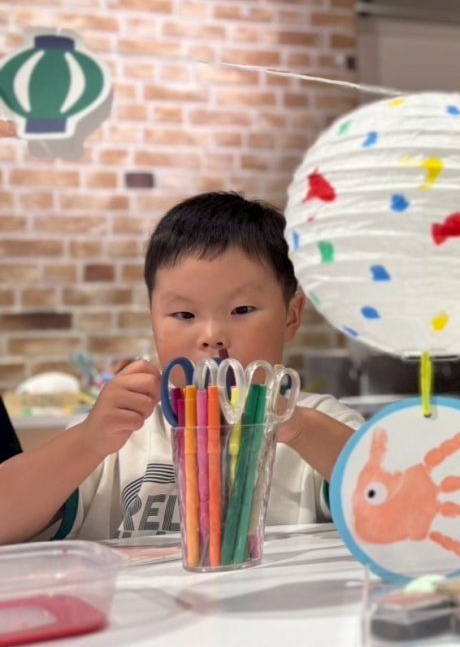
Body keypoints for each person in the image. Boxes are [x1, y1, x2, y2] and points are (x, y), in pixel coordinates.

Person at [0, 192, 362, 544]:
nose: (212, 335)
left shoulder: (318, 423)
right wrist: (89, 440)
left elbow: (390, 498)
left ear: (291, 317)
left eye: (241, 310)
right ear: (153, 320)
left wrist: (301, 429)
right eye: (184, 314)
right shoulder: (117, 436)